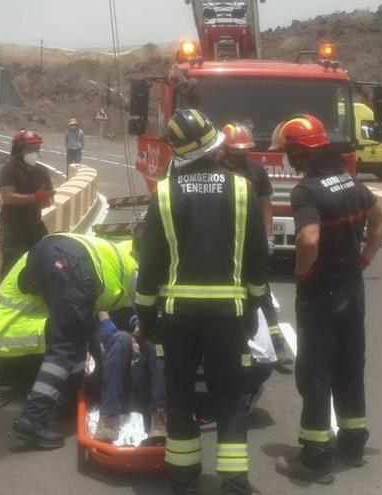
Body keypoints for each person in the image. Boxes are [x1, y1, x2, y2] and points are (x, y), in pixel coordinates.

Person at [136, 108, 269, 495]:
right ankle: (234, 481)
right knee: (229, 397)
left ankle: (182, 476)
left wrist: (147, 314)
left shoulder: (163, 193)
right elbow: (257, 259)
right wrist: (254, 306)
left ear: (178, 151)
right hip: (229, 315)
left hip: (178, 317)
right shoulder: (243, 189)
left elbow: (151, 263)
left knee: (179, 396)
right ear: (216, 145)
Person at [269, 114, 382, 485]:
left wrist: (303, 272)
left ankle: (315, 458)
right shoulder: (350, 181)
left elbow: (307, 240)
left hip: (321, 292)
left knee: (315, 374)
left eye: (288, 151)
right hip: (352, 287)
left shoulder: (308, 190)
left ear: (300, 152)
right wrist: (365, 257)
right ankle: (352, 445)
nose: (286, 157)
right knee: (350, 367)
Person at [5, 233, 139, 449]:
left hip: (43, 252)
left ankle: (66, 400)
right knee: (65, 347)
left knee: (75, 341)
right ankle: (32, 419)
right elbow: (143, 308)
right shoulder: (133, 271)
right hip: (73, 266)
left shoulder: (112, 258)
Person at [220, 122, 292, 367]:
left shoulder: (256, 172)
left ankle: (277, 344)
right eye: (236, 152)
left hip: (250, 244)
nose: (241, 157)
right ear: (225, 149)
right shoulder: (216, 171)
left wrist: (268, 236)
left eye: (244, 151)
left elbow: (265, 207)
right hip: (224, 243)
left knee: (261, 293)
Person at [93, 311, 167, 444]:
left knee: (156, 344)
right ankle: (109, 418)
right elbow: (101, 314)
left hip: (142, 379)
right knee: (122, 338)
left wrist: (140, 326)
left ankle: (160, 416)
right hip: (114, 364)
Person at [0, 129, 55, 278]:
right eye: (29, 149)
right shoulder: (9, 170)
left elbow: (46, 201)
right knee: (13, 265)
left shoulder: (42, 171)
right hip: (12, 227)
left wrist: (45, 200)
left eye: (36, 149)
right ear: (19, 150)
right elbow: (7, 197)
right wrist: (34, 198)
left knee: (43, 258)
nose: (33, 152)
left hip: (34, 223)